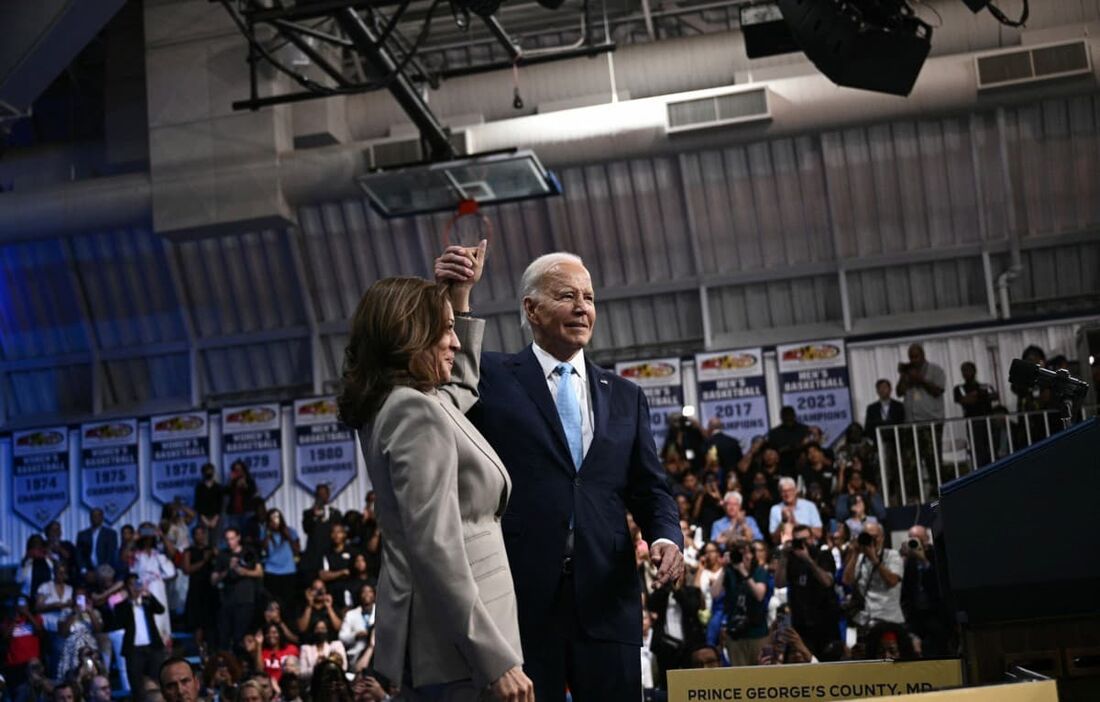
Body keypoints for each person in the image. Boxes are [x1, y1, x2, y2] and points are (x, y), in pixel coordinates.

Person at [439, 248, 684, 702]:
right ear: (531, 308)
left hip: (608, 602)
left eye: (589, 297)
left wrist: (667, 537)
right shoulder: (493, 376)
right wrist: (459, 296)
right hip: (521, 599)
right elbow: (452, 370)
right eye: (567, 295)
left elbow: (651, 489)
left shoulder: (626, 396)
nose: (582, 307)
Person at [338, 250, 533, 702]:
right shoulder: (413, 411)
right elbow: (435, 547)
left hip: (449, 646)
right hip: (459, 652)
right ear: (411, 334)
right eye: (445, 330)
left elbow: (460, 388)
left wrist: (459, 300)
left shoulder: (403, 401)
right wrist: (494, 658)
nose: (456, 342)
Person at [775, 524, 840, 658]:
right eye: (798, 541)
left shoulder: (824, 555)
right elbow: (779, 583)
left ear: (812, 538)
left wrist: (808, 560)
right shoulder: (791, 559)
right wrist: (784, 557)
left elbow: (827, 582)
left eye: (806, 540)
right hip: (801, 623)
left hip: (824, 623)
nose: (803, 544)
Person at [713, 540, 768, 666]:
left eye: (747, 553)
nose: (744, 557)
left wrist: (744, 572)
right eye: (740, 554)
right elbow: (715, 594)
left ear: (752, 555)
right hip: (735, 635)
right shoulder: (730, 572)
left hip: (757, 633)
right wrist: (724, 569)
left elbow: (759, 595)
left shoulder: (758, 571)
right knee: (739, 676)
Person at [842, 522, 904, 630]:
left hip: (889, 619)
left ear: (882, 538)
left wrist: (874, 559)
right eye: (867, 537)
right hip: (865, 620)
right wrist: (855, 553)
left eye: (874, 537)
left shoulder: (892, 555)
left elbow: (892, 581)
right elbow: (846, 581)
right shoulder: (860, 559)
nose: (871, 541)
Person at [900, 525, 951, 657]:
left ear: (926, 539)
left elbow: (939, 580)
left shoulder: (936, 554)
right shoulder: (910, 561)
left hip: (935, 612)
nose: (915, 541)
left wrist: (923, 559)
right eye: (912, 538)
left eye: (918, 538)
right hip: (916, 615)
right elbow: (905, 589)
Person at [115, 574, 166, 702]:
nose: (134, 587)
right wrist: (129, 602)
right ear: (127, 587)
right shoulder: (121, 606)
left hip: (153, 648)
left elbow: (161, 610)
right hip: (134, 651)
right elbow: (119, 622)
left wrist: (148, 594)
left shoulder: (147, 602)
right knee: (137, 687)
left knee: (158, 682)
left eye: (136, 583)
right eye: (131, 584)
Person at [211, 527, 263, 651]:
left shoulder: (248, 551)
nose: (230, 542)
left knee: (241, 636)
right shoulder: (223, 555)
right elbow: (213, 580)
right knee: (225, 636)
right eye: (227, 539)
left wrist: (244, 572)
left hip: (246, 600)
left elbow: (259, 572)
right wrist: (228, 569)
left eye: (232, 538)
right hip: (227, 601)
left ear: (238, 537)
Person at [952, 361, 999, 468]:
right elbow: (965, 400)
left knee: (993, 447)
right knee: (978, 449)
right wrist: (981, 396)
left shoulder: (985, 386)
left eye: (968, 370)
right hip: (973, 422)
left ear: (974, 371)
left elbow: (995, 396)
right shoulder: (959, 388)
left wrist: (977, 395)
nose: (965, 373)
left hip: (989, 420)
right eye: (963, 370)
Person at [181, 525, 217, 652]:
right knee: (198, 623)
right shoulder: (189, 551)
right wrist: (203, 561)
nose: (200, 536)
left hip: (211, 589)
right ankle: (200, 650)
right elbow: (186, 569)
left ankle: (211, 650)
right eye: (197, 534)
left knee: (211, 622)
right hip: (196, 589)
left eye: (202, 533)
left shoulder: (211, 550)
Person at [260, 509, 301, 614]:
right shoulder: (265, 533)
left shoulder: (291, 531)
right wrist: (267, 536)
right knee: (272, 602)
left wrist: (288, 536)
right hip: (271, 571)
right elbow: (263, 551)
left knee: (288, 603)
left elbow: (297, 551)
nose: (275, 522)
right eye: (272, 519)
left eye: (277, 518)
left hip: (288, 571)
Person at [768, 477, 823, 544]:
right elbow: (774, 539)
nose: (787, 494)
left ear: (795, 490)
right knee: (787, 526)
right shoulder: (775, 509)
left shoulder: (810, 506)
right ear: (780, 493)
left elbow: (819, 533)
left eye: (790, 490)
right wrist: (783, 521)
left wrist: (797, 525)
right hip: (787, 546)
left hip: (809, 545)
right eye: (784, 491)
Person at [338, 584, 376, 672]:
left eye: (369, 591)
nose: (366, 594)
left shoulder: (383, 612)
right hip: (356, 656)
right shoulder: (350, 614)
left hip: (378, 655)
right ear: (359, 595)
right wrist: (355, 635)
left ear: (374, 595)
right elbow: (341, 637)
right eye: (364, 592)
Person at [767, 407, 810, 478]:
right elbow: (775, 451)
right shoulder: (774, 433)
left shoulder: (804, 429)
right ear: (781, 417)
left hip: (804, 466)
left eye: (790, 415)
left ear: (794, 416)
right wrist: (796, 446)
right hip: (783, 467)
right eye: (786, 416)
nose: (788, 418)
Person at [76, 512, 118, 584]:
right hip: (87, 572)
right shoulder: (82, 534)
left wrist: (100, 572)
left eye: (98, 516)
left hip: (105, 572)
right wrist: (84, 571)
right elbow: (79, 554)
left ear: (102, 518)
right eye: (93, 516)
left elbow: (111, 554)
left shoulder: (111, 534)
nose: (95, 518)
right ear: (90, 518)